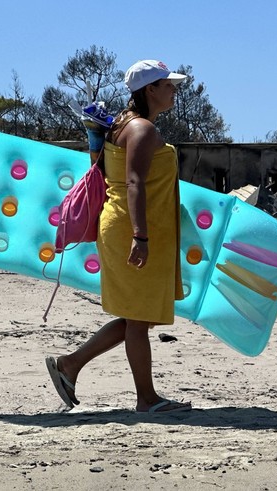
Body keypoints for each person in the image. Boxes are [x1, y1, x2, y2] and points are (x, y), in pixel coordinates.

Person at [46, 60, 191, 413]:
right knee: (139, 319)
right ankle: (147, 399)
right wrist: (140, 237)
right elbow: (134, 183)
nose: (173, 90)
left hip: (128, 227)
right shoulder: (141, 130)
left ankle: (70, 365)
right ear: (149, 90)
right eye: (167, 84)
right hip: (132, 228)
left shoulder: (123, 125)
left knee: (136, 315)